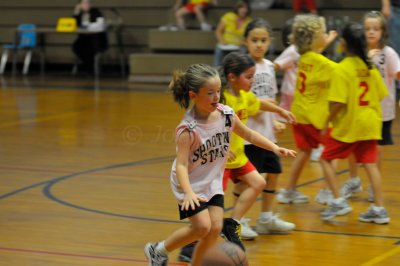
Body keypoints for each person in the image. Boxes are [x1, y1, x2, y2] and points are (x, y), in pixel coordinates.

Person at [144, 63, 296, 266]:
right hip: (189, 182)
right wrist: (188, 192)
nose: (216, 97)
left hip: (212, 180)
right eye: (210, 93)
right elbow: (181, 165)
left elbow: (248, 134)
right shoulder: (188, 129)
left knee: (214, 229)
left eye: (218, 91)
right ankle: (158, 250)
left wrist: (274, 148)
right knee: (202, 227)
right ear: (193, 95)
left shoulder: (226, 114)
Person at [220, 51, 297, 248]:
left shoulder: (244, 96)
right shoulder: (222, 100)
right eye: (248, 76)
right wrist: (220, 146)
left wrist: (280, 110)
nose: (252, 80)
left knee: (258, 183)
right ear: (232, 77)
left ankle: (233, 223)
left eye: (253, 75)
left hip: (238, 157)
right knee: (212, 206)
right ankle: (194, 242)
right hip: (219, 160)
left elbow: (258, 104)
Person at [319, 21, 389, 224]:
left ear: (343, 44)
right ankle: (379, 208)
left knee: (325, 158)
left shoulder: (342, 69)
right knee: (370, 164)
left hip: (350, 125)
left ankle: (338, 201)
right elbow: (382, 95)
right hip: (370, 123)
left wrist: (327, 122)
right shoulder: (370, 67)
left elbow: (338, 104)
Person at [239, 18, 296, 236]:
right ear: (246, 41)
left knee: (273, 174)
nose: (259, 45)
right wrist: (264, 108)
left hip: (268, 135)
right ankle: (239, 221)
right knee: (246, 181)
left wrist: (273, 120)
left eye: (263, 40)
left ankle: (266, 218)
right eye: (254, 40)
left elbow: (270, 98)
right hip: (247, 135)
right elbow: (246, 103)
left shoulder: (270, 67)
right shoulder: (243, 68)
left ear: (270, 41)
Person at [277, 14, 338, 204]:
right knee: (333, 152)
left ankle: (289, 191)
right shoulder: (322, 63)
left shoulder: (303, 56)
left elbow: (315, 52)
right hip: (314, 116)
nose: (325, 35)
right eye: (323, 33)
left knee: (304, 152)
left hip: (299, 113)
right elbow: (344, 71)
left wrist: (325, 41)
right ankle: (329, 192)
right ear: (314, 39)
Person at [340, 11, 400, 201]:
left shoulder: (388, 53)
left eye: (376, 29)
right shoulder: (357, 55)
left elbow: (398, 73)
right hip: (358, 110)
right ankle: (353, 179)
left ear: (383, 31)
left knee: (377, 150)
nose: (371, 32)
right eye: (367, 29)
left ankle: (375, 186)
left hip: (383, 111)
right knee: (352, 145)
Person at [72, 0, 108, 72]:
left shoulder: (95, 12)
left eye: (87, 3)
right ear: (80, 5)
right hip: (83, 39)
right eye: (84, 3)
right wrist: (76, 13)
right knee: (76, 47)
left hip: (96, 38)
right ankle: (87, 66)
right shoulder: (79, 14)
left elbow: (100, 24)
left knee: (90, 48)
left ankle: (90, 67)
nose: (86, 5)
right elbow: (73, 25)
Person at [213, 0, 252, 67]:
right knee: (219, 48)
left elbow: (249, 37)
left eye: (246, 8)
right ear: (237, 9)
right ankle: (216, 69)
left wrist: (244, 42)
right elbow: (218, 31)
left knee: (243, 50)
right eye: (242, 7)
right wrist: (221, 41)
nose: (244, 10)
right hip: (225, 44)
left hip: (239, 46)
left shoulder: (249, 21)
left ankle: (239, 69)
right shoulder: (228, 16)